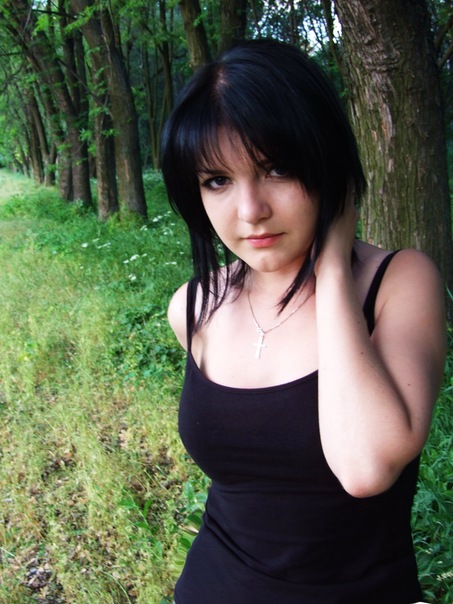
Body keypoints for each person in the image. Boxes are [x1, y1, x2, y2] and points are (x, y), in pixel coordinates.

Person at [160, 39, 446, 604]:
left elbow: (365, 468)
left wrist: (332, 269)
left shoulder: (400, 283)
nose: (250, 211)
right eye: (217, 180)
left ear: (325, 160)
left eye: (277, 168)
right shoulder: (194, 307)